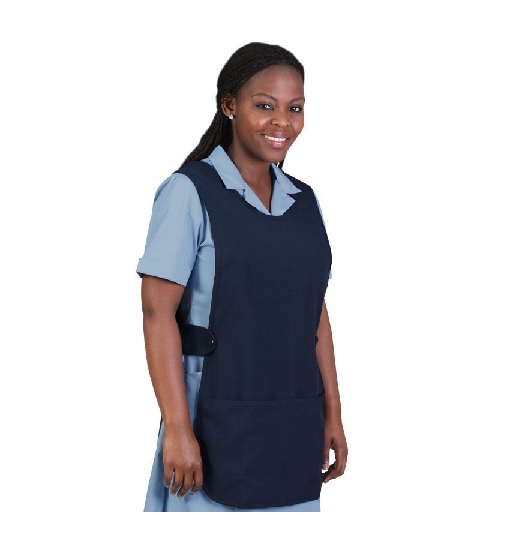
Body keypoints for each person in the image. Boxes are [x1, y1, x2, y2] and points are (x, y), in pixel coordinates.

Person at [136, 42, 348, 512]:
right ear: (229, 105)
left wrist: (332, 412)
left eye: (295, 108)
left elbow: (314, 314)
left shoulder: (304, 202)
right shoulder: (188, 192)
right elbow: (157, 313)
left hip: (294, 422)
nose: (282, 122)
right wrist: (177, 429)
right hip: (211, 420)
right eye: (265, 106)